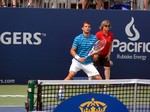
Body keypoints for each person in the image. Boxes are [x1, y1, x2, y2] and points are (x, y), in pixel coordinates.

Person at [58, 21, 102, 99]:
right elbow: (72, 50)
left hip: (88, 63)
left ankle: (104, 92)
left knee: (99, 78)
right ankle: (60, 92)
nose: (87, 28)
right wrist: (78, 58)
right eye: (86, 26)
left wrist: (95, 54)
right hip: (77, 62)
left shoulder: (94, 38)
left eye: (89, 26)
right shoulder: (78, 38)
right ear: (82, 28)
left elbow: (97, 50)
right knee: (70, 75)